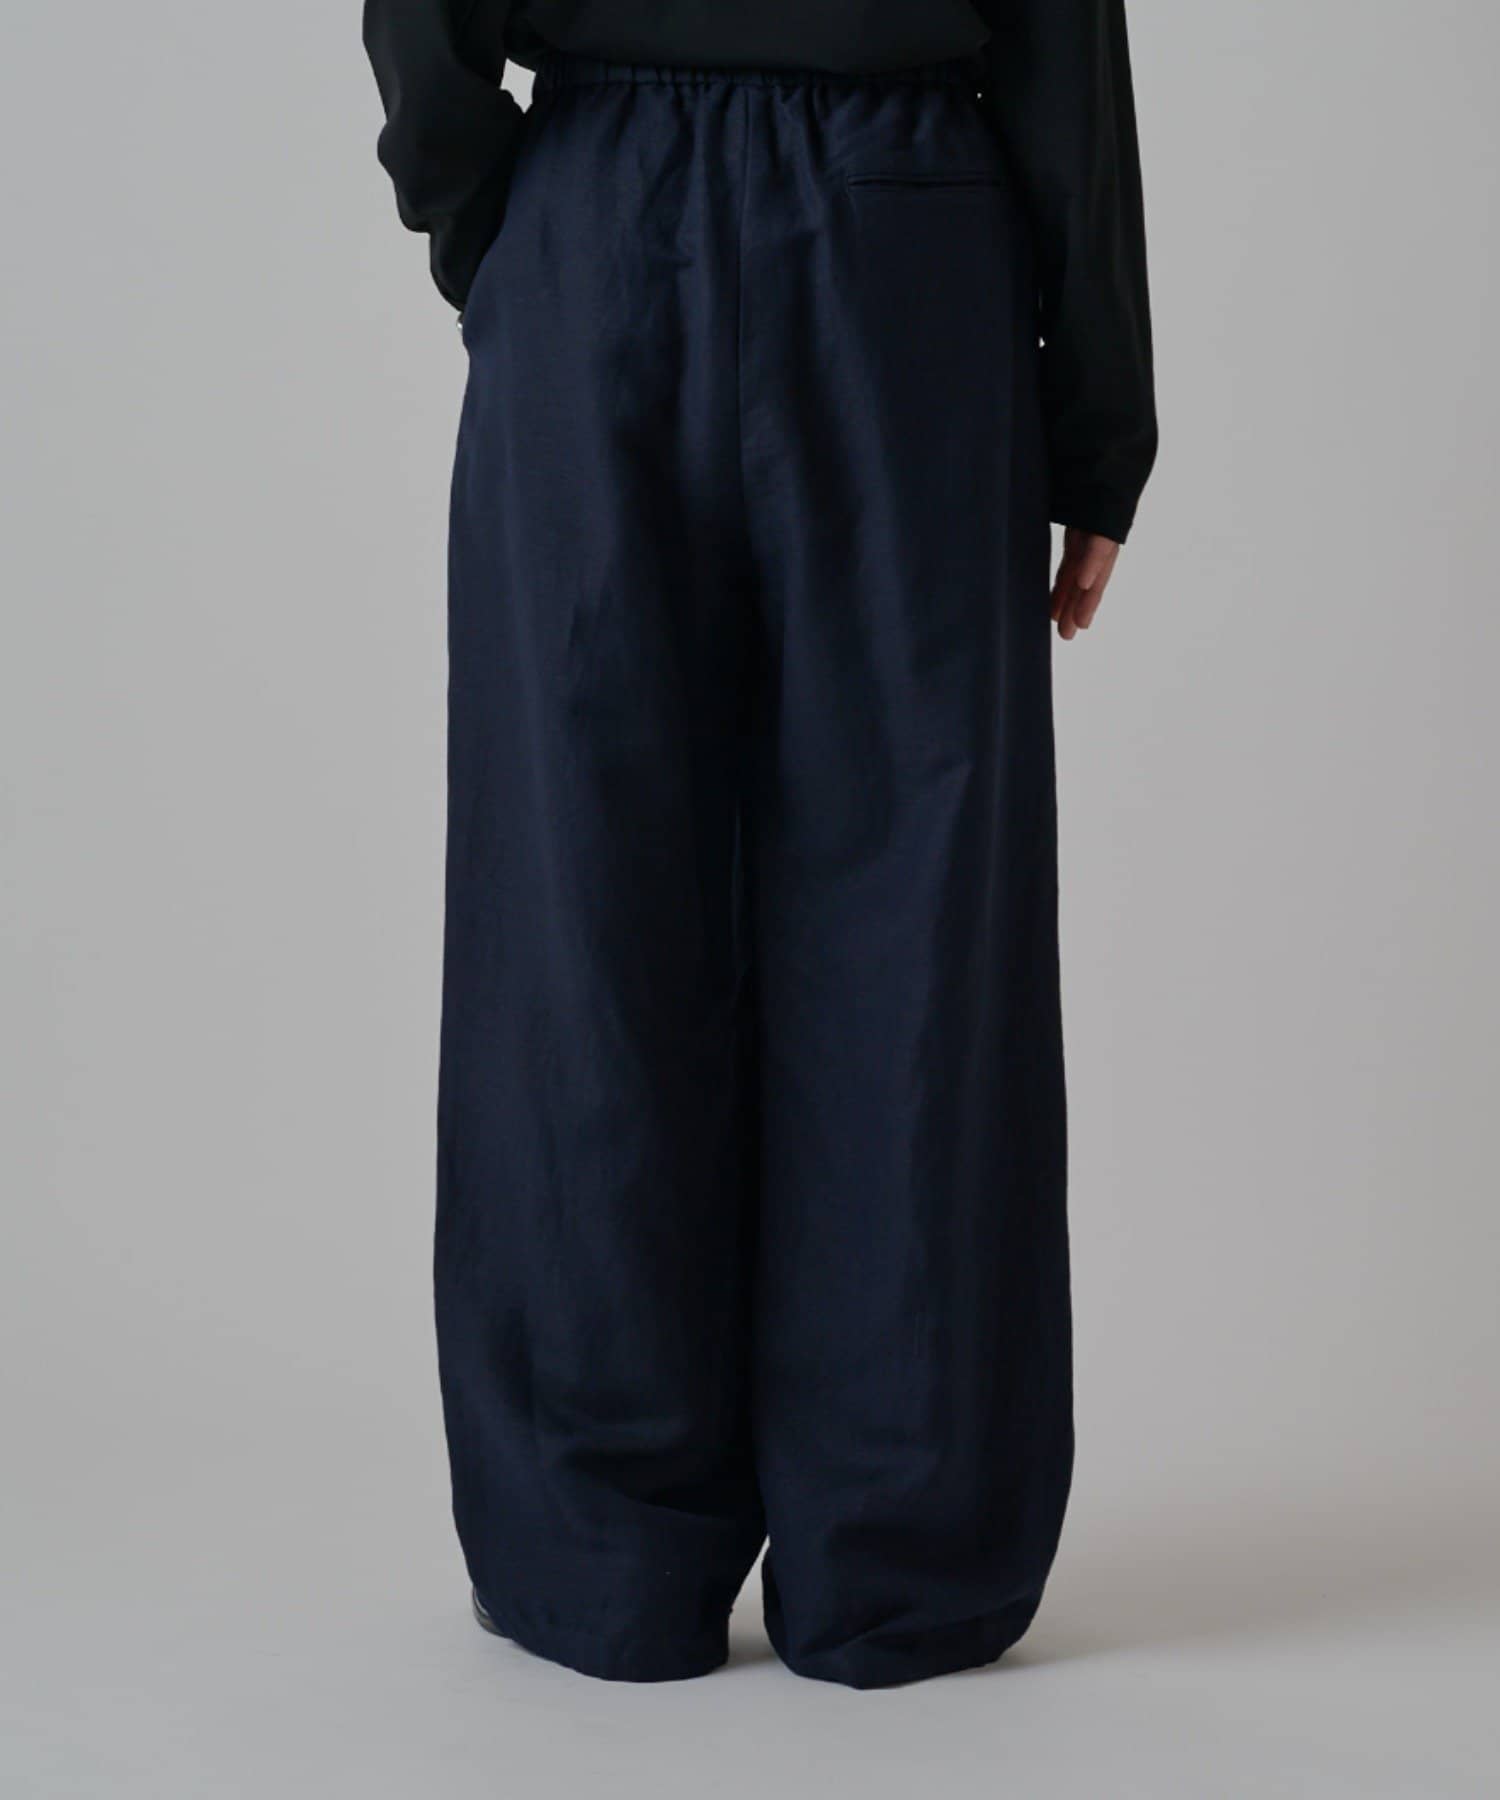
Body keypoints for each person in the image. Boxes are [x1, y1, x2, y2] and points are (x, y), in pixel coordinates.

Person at [363, 0, 1156, 1690]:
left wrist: (496, 213)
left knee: (581, 894)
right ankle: (903, 1549)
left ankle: (594, 1550)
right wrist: (1098, 408)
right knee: (913, 911)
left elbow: (427, 27)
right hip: (903, 246)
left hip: (597, 222)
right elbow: (1062, 37)